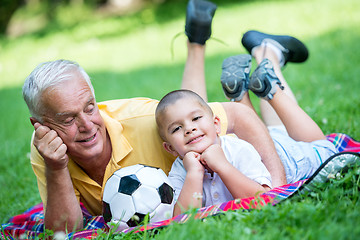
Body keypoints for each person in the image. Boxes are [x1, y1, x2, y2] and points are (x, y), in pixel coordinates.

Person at [21, 1, 286, 232]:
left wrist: (278, 190)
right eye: (68, 119)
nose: (87, 125)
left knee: (189, 111)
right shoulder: (48, 148)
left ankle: (264, 53)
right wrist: (56, 168)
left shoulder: (145, 120)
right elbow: (64, 231)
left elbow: (238, 116)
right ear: (41, 126)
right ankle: (219, 54)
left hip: (244, 159)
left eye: (90, 108)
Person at [155, 89, 272, 216]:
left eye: (196, 118)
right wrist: (194, 173)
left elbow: (263, 200)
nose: (189, 129)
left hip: (287, 153)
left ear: (216, 124)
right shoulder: (178, 171)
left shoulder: (239, 150)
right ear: (170, 148)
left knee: (278, 128)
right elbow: (181, 221)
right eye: (177, 128)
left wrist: (222, 166)